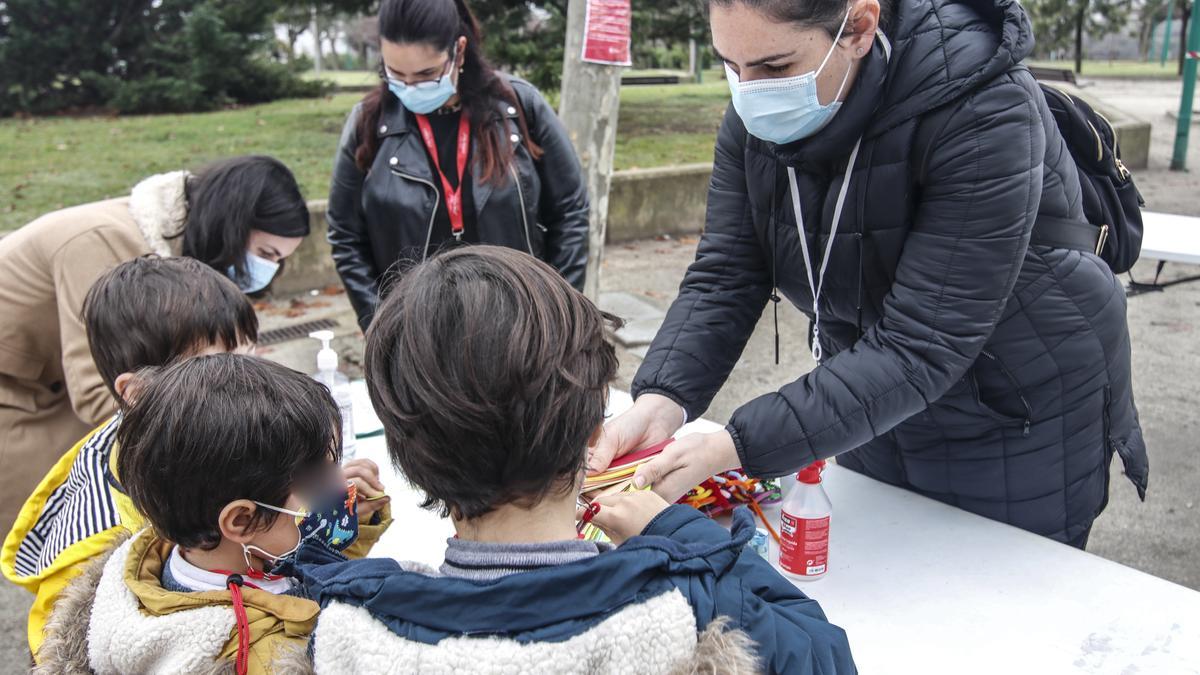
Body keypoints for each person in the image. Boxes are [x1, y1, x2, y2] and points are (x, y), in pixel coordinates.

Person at [590, 0, 1147, 549]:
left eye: (775, 68)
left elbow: (924, 343)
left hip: (1018, 409)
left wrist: (736, 444)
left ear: (858, 27)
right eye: (731, 67)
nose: (749, 92)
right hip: (868, 393)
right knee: (871, 582)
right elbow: (727, 273)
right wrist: (662, 400)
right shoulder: (756, 113)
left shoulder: (984, 108)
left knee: (995, 606)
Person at [290, 246, 855, 674]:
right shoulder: (686, 601)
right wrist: (675, 531)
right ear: (594, 432)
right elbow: (822, 654)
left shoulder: (343, 619)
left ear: (404, 451)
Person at [0, 155, 312, 530]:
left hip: (50, 376)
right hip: (17, 391)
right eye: (265, 255)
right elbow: (98, 396)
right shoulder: (102, 247)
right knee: (57, 521)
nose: (267, 272)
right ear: (231, 225)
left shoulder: (171, 246)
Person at [31, 354, 392, 674]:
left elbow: (285, 552)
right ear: (240, 520)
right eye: (318, 482)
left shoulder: (168, 560)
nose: (340, 485)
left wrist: (346, 525)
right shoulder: (264, 656)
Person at [1, 256, 264, 660]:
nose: (253, 374)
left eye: (250, 350)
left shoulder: (193, 435)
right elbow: (62, 654)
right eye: (222, 362)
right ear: (138, 391)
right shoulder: (101, 539)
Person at [327, 0, 588, 332]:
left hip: (519, 323)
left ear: (459, 51)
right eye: (395, 74)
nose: (409, 88)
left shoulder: (519, 106)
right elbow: (345, 235)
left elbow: (571, 213)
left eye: (426, 74)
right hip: (418, 331)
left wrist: (556, 314)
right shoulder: (369, 123)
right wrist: (383, 328)